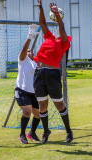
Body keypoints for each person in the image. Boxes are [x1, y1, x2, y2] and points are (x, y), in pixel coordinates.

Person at [33, 0, 73, 144]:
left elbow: (62, 29)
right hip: (39, 73)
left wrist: (57, 14)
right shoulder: (48, 37)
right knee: (42, 106)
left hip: (52, 75)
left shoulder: (64, 42)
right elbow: (43, 24)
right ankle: (46, 131)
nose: (57, 32)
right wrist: (41, 8)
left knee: (59, 104)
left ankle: (69, 131)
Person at [15, 24, 41, 144]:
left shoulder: (35, 64)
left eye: (31, 51)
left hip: (33, 93)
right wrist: (30, 36)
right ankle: (22, 135)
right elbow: (24, 49)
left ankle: (32, 133)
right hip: (22, 90)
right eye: (28, 51)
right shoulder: (22, 60)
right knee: (27, 111)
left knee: (39, 114)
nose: (29, 52)